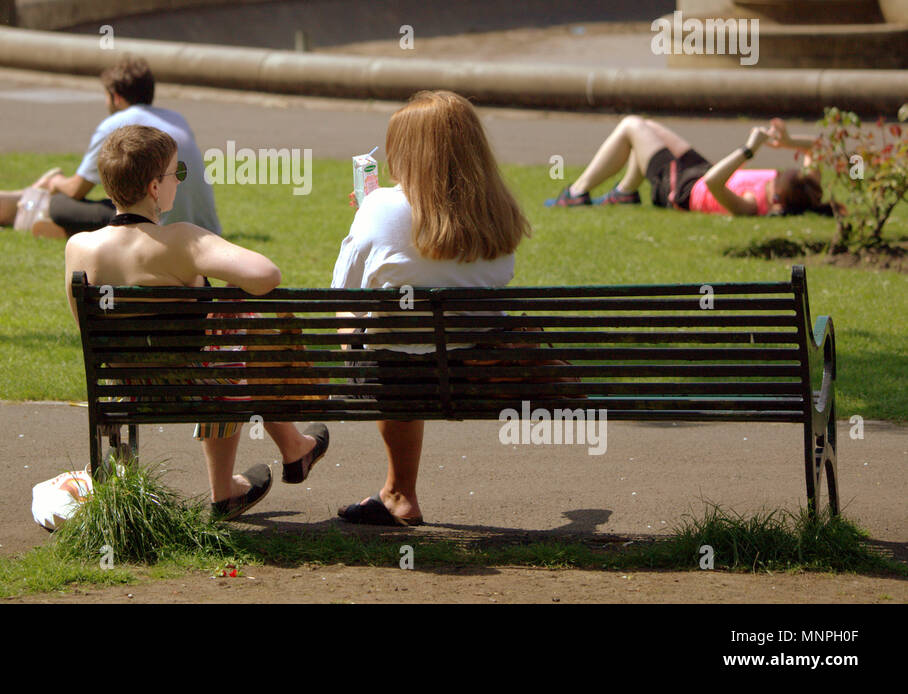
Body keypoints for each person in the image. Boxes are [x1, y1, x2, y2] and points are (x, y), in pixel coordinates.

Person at [63, 124, 329, 520]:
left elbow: (85, 327)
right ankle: (237, 482)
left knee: (225, 326)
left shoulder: (79, 247)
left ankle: (288, 451)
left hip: (122, 387)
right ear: (155, 188)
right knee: (234, 320)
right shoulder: (181, 240)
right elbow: (266, 274)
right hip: (195, 387)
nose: (179, 182)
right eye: (177, 174)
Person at [331, 91, 532, 526]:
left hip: (400, 377)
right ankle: (394, 491)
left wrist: (369, 210)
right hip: (477, 373)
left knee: (381, 334)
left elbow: (342, 293)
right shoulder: (500, 214)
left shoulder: (380, 207)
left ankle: (400, 492)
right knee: (411, 341)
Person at [20, 57, 222, 239]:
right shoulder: (177, 119)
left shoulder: (116, 125)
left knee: (59, 205)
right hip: (203, 227)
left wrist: (55, 182)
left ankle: (69, 230)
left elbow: (76, 190)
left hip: (156, 226)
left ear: (116, 97)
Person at [543, 116, 838, 216]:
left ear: (777, 199)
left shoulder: (751, 205)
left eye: (776, 181)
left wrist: (749, 150)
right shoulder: (808, 188)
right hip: (698, 170)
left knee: (631, 125)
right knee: (647, 126)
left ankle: (576, 193)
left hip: (681, 189)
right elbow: (817, 148)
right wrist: (787, 141)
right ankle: (624, 193)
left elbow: (713, 184)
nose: (773, 178)